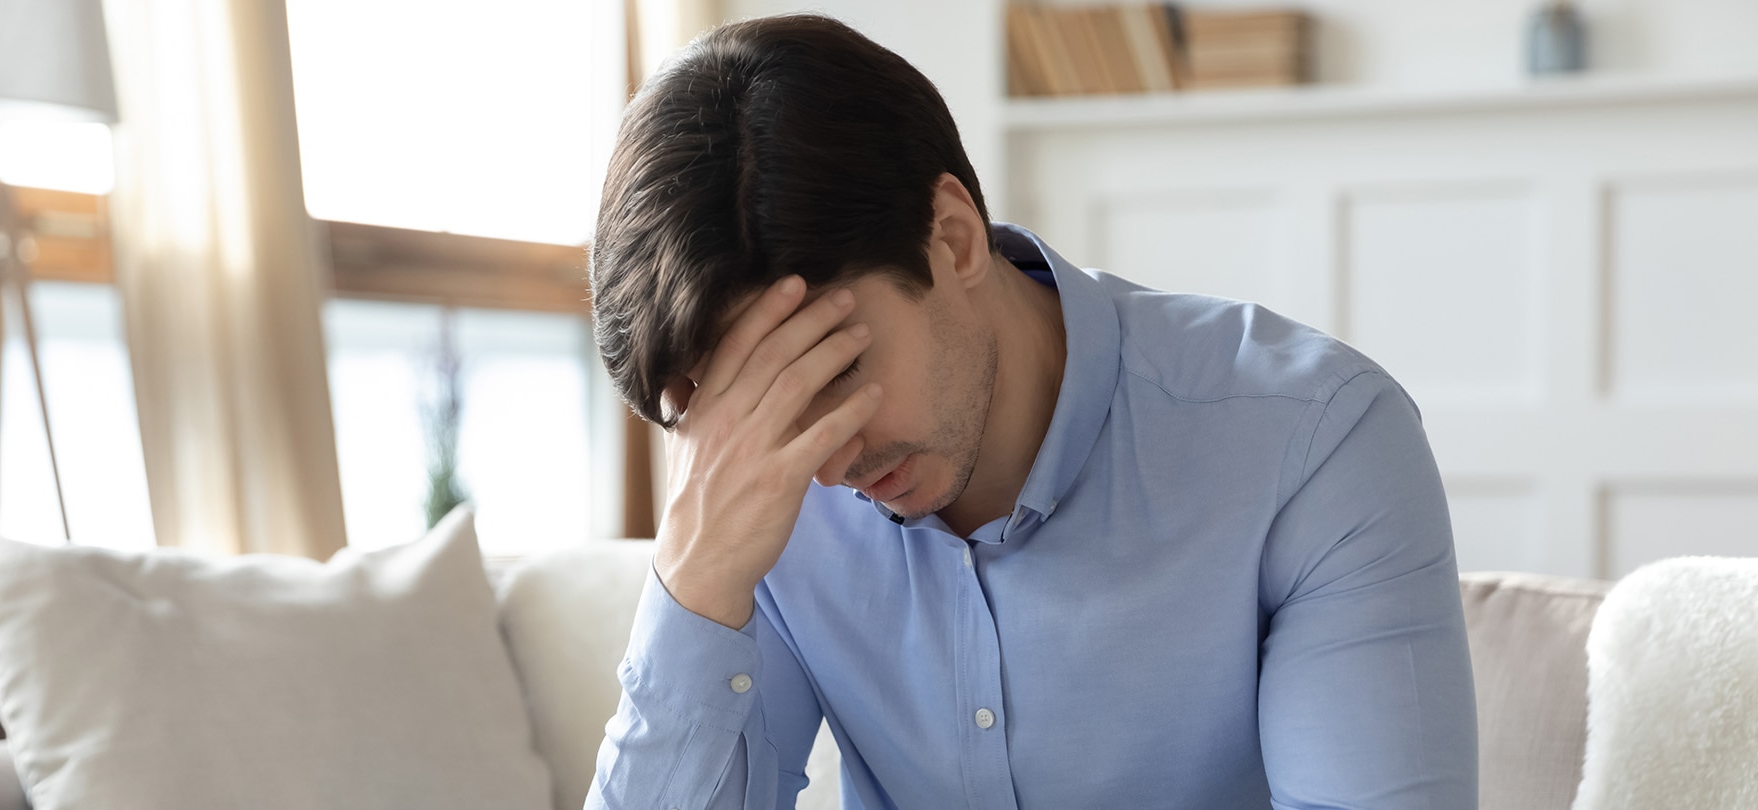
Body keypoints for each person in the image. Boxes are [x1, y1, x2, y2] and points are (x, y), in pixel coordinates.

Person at [586, 13, 1477, 809]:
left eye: (833, 371)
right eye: (763, 411)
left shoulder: (1315, 444)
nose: (824, 462)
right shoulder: (769, 496)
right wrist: (695, 580)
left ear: (954, 237)